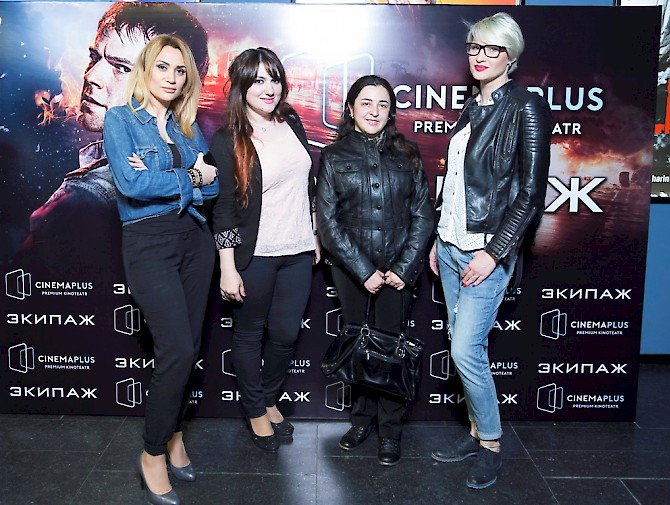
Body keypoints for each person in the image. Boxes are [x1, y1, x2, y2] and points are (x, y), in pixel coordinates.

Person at [428, 12, 552, 490]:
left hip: (484, 254)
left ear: (511, 57)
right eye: (475, 48)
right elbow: (456, 183)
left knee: (466, 351)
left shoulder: (526, 106)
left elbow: (531, 194)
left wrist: (495, 253)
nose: (481, 57)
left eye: (493, 49)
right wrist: (440, 236)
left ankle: (492, 444)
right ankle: (475, 431)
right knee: (462, 348)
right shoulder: (471, 108)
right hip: (451, 247)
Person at [103, 34, 218, 505]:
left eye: (180, 70)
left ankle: (174, 437)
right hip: (149, 243)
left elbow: (214, 189)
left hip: (195, 240)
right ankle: (152, 452)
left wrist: (168, 180)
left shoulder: (187, 127)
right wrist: (190, 175)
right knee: (176, 350)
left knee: (188, 352)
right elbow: (132, 185)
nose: (172, 78)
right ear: (146, 69)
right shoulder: (120, 120)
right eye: (163, 67)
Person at [18, 1, 209, 279]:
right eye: (94, 57)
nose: (91, 75)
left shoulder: (85, 199)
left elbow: (26, 288)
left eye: (122, 68)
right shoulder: (193, 161)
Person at [316, 75, 434, 466]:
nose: (374, 111)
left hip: (399, 272)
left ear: (390, 111)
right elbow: (328, 223)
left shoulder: (409, 155)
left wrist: (404, 267)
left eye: (383, 104)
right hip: (351, 271)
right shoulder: (333, 156)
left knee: (390, 350)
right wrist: (363, 270)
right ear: (351, 109)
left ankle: (391, 431)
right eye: (366, 103)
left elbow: (422, 215)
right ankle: (361, 421)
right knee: (360, 347)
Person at [209, 47, 320, 453]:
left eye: (274, 79)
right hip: (254, 255)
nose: (269, 88)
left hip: (299, 250)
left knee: (286, 334)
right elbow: (223, 208)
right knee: (249, 335)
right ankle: (256, 410)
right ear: (241, 86)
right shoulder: (227, 139)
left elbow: (306, 183)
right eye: (258, 80)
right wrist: (227, 266)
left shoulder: (291, 121)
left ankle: (269, 399)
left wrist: (314, 232)